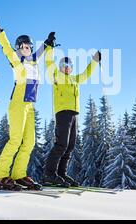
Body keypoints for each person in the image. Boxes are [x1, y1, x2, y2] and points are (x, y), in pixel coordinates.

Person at [0, 16, 56, 191]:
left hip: (30, 105)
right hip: (17, 103)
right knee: (16, 139)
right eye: (24, 46)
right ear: (19, 48)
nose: (27, 48)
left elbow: (40, 52)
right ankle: (0, 175)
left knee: (30, 142)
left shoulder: (32, 60)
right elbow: (6, 48)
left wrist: (48, 43)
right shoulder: (16, 60)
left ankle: (18, 174)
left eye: (29, 46)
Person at [43, 42, 101, 187]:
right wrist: (49, 47)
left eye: (69, 66)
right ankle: (49, 174)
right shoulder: (56, 76)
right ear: (60, 67)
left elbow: (87, 73)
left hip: (74, 114)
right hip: (62, 113)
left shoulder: (75, 79)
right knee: (61, 144)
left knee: (70, 146)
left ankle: (61, 174)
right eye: (63, 65)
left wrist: (95, 60)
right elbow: (49, 62)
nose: (66, 68)